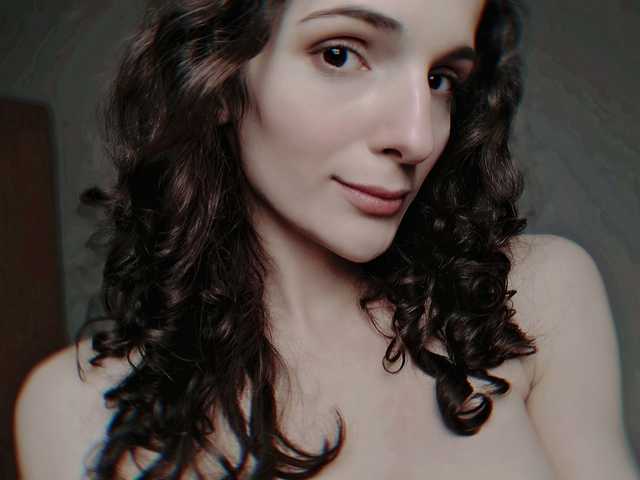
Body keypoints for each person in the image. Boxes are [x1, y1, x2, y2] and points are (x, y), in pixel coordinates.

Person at [13, 0, 639, 478]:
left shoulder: (537, 300)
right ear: (221, 74)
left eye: (441, 78)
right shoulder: (76, 411)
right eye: (341, 54)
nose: (417, 137)